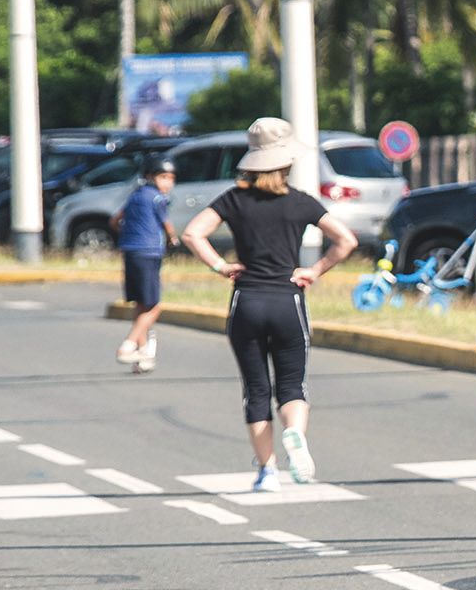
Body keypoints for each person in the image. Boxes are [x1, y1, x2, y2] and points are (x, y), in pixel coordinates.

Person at [180, 117, 357, 492]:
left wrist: (221, 265)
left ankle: (267, 472)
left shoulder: (234, 199)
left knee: (256, 389)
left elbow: (192, 233)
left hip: (246, 301)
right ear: (287, 162)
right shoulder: (300, 203)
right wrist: (315, 270)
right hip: (287, 300)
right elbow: (346, 240)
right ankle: (294, 432)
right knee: (292, 385)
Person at [111, 158, 178, 371]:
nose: (167, 183)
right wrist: (173, 240)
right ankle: (128, 345)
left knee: (141, 303)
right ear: (150, 177)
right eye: (163, 177)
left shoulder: (135, 196)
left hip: (130, 251)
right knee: (154, 305)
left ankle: (143, 355)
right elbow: (166, 225)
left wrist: (129, 235)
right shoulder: (158, 198)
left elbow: (114, 221)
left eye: (171, 179)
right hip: (150, 252)